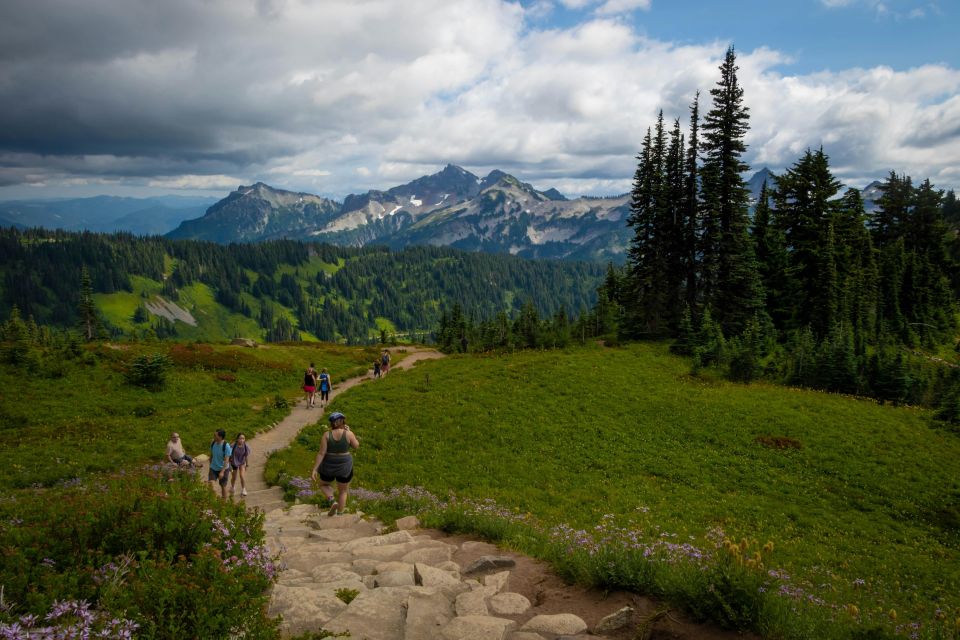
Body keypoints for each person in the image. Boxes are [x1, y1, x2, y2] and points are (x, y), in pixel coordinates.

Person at [311, 411, 360, 516]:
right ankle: (340, 514)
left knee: (323, 484)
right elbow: (356, 446)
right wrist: (350, 432)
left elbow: (321, 453)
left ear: (331, 423)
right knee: (343, 491)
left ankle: (332, 500)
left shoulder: (326, 435)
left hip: (328, 464)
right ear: (342, 421)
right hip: (344, 465)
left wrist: (315, 469)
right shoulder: (348, 434)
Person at [209, 428, 233, 499]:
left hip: (223, 469)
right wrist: (211, 464)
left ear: (220, 437)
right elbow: (211, 454)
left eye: (215, 435)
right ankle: (213, 502)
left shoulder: (226, 446)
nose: (214, 437)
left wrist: (222, 472)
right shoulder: (213, 442)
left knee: (223, 486)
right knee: (211, 486)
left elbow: (226, 460)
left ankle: (224, 504)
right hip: (213, 468)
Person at [229, 433, 251, 497]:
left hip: (242, 462)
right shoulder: (233, 445)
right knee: (234, 477)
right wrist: (229, 464)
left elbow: (246, 455)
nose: (241, 440)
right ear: (237, 439)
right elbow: (228, 455)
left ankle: (243, 489)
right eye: (240, 438)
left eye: (243, 438)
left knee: (242, 476)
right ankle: (232, 487)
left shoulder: (245, 446)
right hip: (234, 462)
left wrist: (247, 464)